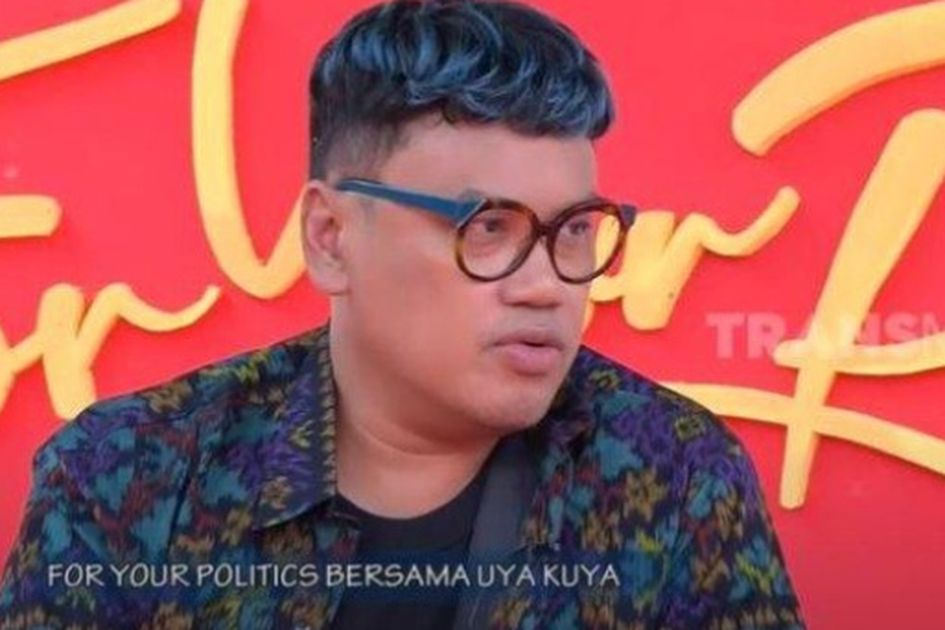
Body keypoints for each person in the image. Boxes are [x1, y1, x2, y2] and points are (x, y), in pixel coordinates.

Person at [0, 1, 805, 628]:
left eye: (573, 230)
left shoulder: (675, 473)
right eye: (486, 228)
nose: (545, 286)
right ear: (330, 237)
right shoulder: (128, 476)